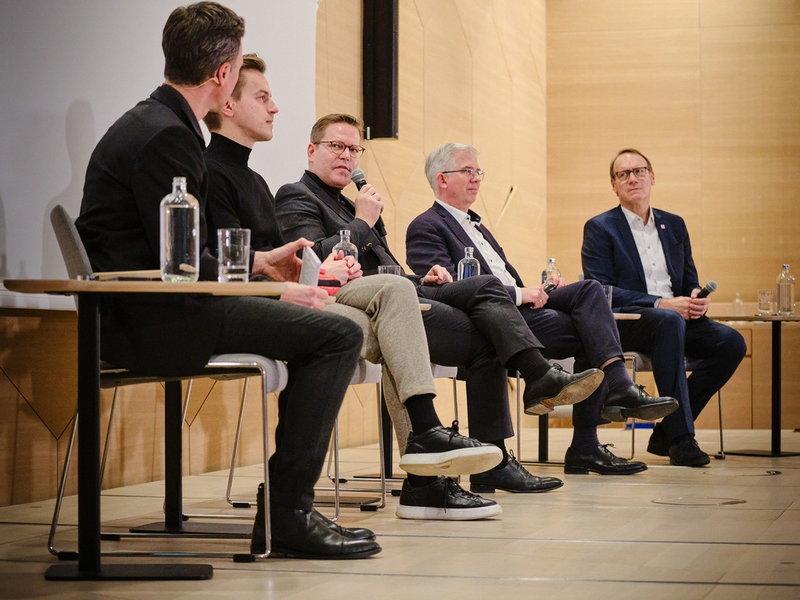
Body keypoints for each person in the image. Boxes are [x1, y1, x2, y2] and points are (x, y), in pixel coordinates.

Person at [74, 2, 380, 559]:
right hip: (152, 321)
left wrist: (261, 267)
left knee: (330, 326)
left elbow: (182, 253)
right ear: (223, 75)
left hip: (148, 308)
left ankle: (288, 508)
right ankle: (288, 513)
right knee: (337, 334)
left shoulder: (155, 123)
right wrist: (278, 288)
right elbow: (183, 265)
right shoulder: (167, 136)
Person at [202, 54, 505, 520]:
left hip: (328, 297)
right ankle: (424, 457)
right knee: (395, 304)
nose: (275, 108)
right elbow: (252, 264)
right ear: (226, 101)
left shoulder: (256, 180)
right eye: (263, 97)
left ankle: (424, 468)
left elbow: (277, 260)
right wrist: (333, 258)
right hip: (270, 306)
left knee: (399, 299)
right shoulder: (273, 188)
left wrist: (326, 269)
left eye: (354, 150)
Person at [275, 113, 607, 510]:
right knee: (485, 294)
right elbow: (316, 263)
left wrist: (422, 280)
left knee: (486, 317)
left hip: (396, 297)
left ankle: (494, 457)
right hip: (344, 307)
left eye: (354, 148)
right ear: (312, 151)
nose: (347, 156)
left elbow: (389, 272)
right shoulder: (297, 195)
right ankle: (536, 378)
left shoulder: (354, 204)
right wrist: (364, 221)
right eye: (336, 146)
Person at [406, 143, 679, 476]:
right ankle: (594, 432)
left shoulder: (478, 226)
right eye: (468, 171)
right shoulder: (426, 225)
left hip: (519, 308)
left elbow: (501, 280)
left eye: (479, 171)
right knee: (590, 332)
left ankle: (610, 403)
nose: (477, 178)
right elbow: (445, 289)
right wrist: (521, 294)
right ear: (442, 179)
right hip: (493, 320)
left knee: (590, 292)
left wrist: (541, 292)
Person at [581, 148, 747, 466]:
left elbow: (688, 282)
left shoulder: (674, 225)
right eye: (623, 174)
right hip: (629, 321)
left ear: (652, 177)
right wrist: (660, 303)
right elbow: (600, 290)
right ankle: (682, 439)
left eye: (639, 171)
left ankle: (666, 431)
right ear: (613, 185)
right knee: (667, 320)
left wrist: (696, 298)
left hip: (678, 318)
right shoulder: (601, 228)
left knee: (731, 342)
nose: (632, 178)